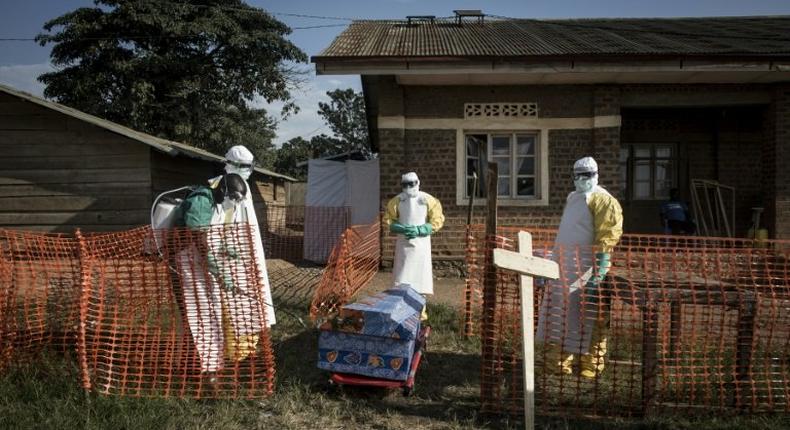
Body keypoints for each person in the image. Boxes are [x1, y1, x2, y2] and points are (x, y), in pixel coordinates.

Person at [536, 156, 623, 379]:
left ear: (596, 175)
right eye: (579, 176)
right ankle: (559, 363)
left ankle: (591, 364)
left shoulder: (604, 200)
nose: (583, 180)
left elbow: (608, 234)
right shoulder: (572, 197)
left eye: (587, 175)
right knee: (559, 315)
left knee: (589, 316)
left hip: (587, 268)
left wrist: (600, 269)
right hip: (563, 268)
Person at [384, 172, 445, 321]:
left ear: (418, 182)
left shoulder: (428, 200)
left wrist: (421, 229)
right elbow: (388, 219)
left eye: (412, 183)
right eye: (406, 184)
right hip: (403, 247)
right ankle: (399, 312)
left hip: (422, 247)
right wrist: (401, 228)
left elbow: (438, 219)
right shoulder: (396, 201)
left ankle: (419, 314)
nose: (409, 187)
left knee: (420, 280)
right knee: (401, 278)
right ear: (402, 185)